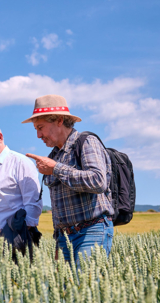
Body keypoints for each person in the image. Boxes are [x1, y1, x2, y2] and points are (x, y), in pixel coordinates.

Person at [24, 95, 114, 263]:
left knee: (84, 287)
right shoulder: (54, 155)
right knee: (67, 289)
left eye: (40, 127)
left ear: (59, 120)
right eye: (36, 129)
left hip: (91, 232)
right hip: (65, 239)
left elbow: (98, 181)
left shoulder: (87, 142)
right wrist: (59, 241)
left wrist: (55, 169)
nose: (38, 135)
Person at [0, 121, 42, 257]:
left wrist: (16, 238)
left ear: (0, 137)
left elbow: (33, 206)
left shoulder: (20, 163)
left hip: (7, 243)